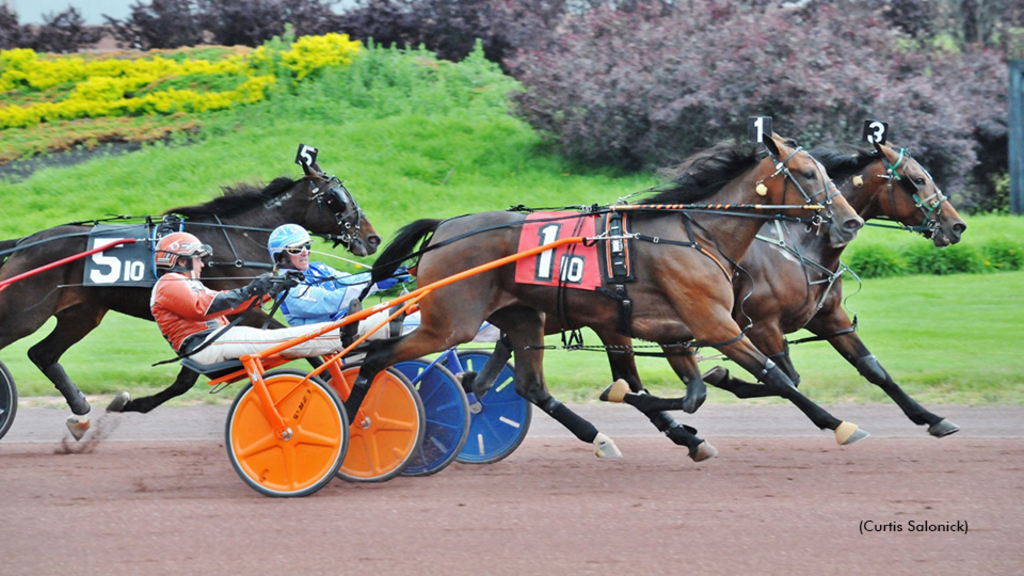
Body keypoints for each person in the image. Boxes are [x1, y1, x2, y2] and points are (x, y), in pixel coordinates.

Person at [149, 231, 345, 366]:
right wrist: (250, 290)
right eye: (198, 258)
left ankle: (338, 337)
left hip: (214, 342)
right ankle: (342, 335)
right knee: (286, 339)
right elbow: (203, 307)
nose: (202, 265)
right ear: (182, 261)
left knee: (285, 339)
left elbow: (228, 303)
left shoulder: (185, 284)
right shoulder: (169, 282)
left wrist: (274, 288)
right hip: (205, 345)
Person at [267, 224, 402, 344]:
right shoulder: (286, 288)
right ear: (281, 257)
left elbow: (348, 280)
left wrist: (382, 274)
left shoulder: (318, 268)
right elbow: (330, 301)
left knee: (408, 315)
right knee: (402, 323)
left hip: (349, 328)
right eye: (296, 249)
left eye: (307, 246)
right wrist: (375, 283)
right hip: (327, 338)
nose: (305, 252)